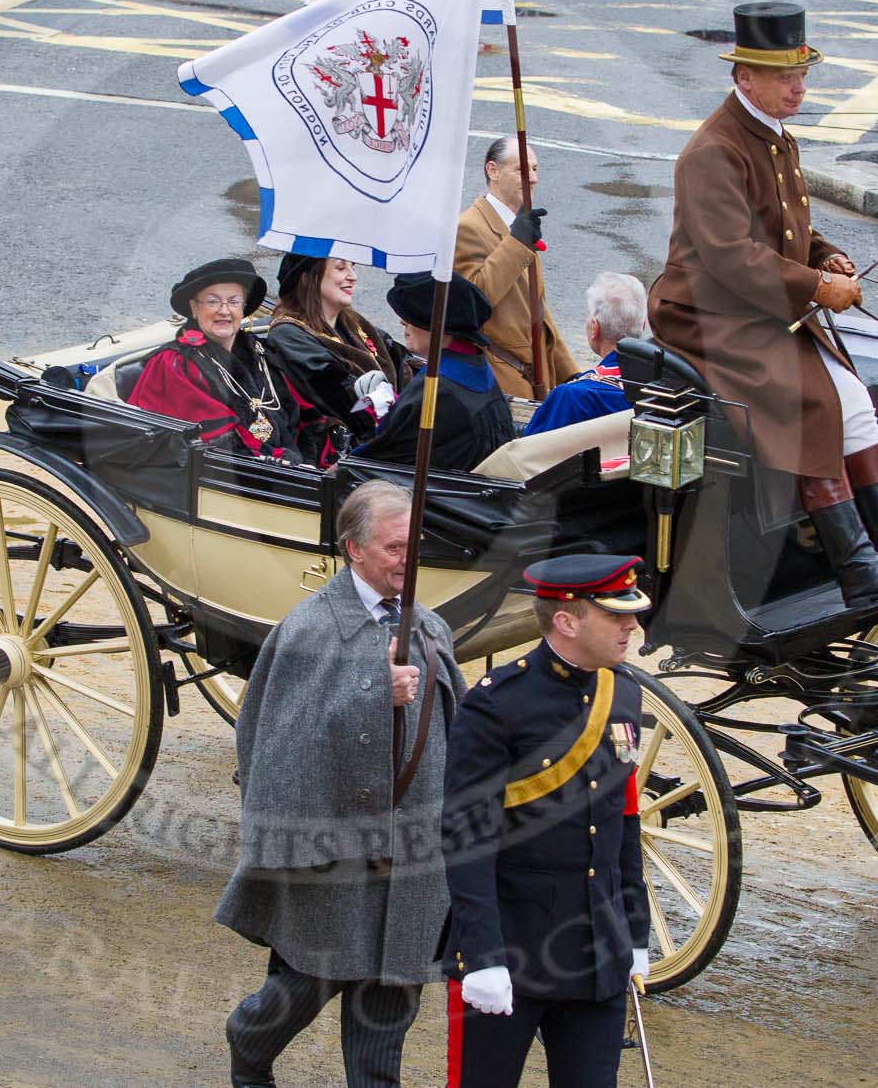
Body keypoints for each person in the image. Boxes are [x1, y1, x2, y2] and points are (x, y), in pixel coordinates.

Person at [647, 2, 878, 606]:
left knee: (850, 393)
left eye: (801, 76)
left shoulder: (775, 139)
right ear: (744, 77)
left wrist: (825, 255)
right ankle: (856, 566)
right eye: (783, 78)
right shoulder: (712, 151)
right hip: (704, 315)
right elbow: (730, 256)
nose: (798, 88)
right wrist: (819, 290)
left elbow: (785, 229)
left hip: (754, 304)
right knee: (811, 397)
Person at [218, 480, 467, 1088]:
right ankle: (250, 1044)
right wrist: (372, 691)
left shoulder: (432, 627)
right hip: (332, 859)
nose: (409, 559)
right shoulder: (307, 631)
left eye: (415, 545)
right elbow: (276, 748)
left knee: (386, 1020)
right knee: (304, 987)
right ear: (353, 549)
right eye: (394, 548)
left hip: (411, 862)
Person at [440, 555, 655, 1088]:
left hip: (597, 950)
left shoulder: (622, 693)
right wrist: (484, 957)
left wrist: (635, 931)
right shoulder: (496, 705)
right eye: (615, 616)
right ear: (567, 620)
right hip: (512, 948)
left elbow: (624, 823)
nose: (631, 626)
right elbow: (468, 838)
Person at [127, 257, 340, 463]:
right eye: (213, 301)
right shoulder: (176, 363)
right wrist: (285, 462)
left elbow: (300, 410)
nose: (224, 310)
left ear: (243, 307)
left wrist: (319, 454)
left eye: (233, 301)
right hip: (224, 479)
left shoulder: (260, 353)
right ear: (194, 308)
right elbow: (220, 443)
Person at [455, 138, 579, 401]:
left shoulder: (520, 226)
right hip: (501, 380)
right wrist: (517, 243)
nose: (533, 178)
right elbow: (473, 300)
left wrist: (571, 376)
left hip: (535, 379)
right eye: (522, 170)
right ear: (493, 171)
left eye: (535, 169)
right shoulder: (468, 227)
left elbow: (539, 313)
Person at [355, 274, 517, 473]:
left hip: (441, 497)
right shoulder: (476, 366)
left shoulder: (436, 387)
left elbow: (377, 458)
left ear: (441, 327)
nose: (402, 323)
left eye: (412, 318)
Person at [265, 253, 413, 446]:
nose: (353, 276)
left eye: (352, 267)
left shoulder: (354, 322)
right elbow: (340, 395)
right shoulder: (288, 335)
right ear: (306, 278)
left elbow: (402, 362)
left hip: (391, 429)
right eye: (341, 268)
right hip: (347, 445)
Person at [523, 272, 646, 437]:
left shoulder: (573, 397)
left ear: (594, 328)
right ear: (643, 325)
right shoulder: (663, 386)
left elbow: (530, 452)